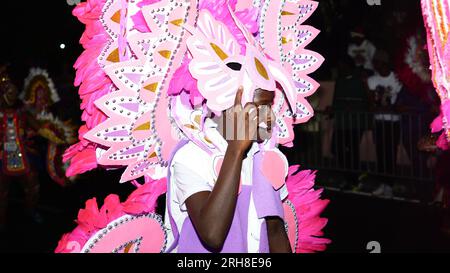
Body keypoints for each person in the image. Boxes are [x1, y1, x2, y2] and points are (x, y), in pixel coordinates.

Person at [366, 50, 403, 197]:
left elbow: (401, 101)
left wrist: (391, 108)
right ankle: (383, 183)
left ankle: (390, 185)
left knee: (391, 154)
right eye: (376, 63)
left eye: (380, 63)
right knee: (380, 154)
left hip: (393, 122)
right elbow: (371, 104)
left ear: (386, 63)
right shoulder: (372, 80)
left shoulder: (396, 78)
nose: (377, 66)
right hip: (379, 121)